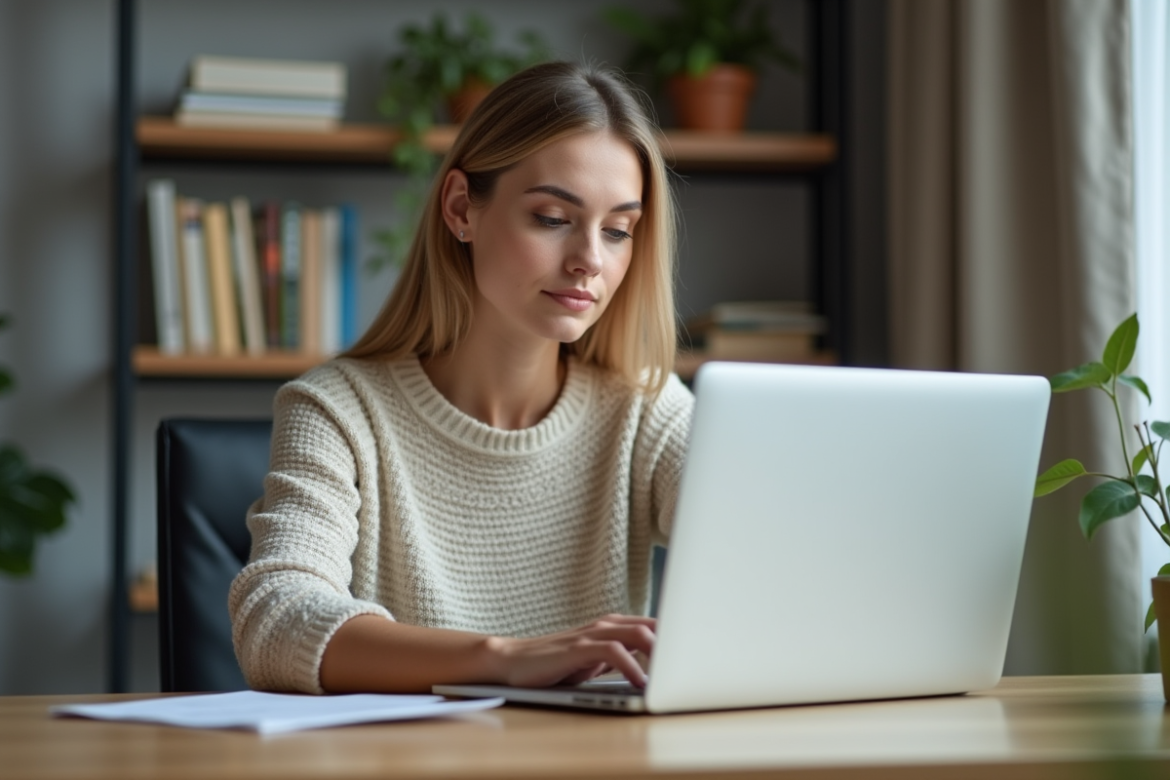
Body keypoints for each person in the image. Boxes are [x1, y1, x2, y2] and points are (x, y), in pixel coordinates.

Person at [228, 61, 694, 695]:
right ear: (460, 210)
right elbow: (276, 621)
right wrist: (505, 659)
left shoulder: (645, 407)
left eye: (618, 231)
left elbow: (772, 548)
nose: (590, 259)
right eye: (554, 218)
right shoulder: (338, 411)